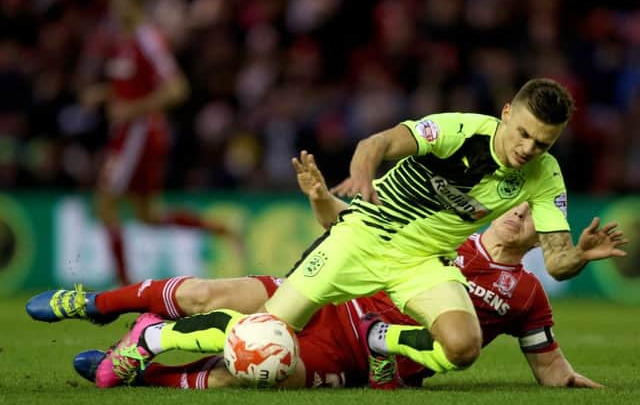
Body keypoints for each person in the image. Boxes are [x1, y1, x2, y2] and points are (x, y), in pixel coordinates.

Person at [28, 151, 618, 389]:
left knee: (248, 371)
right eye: (508, 204)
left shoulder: (527, 293)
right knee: (208, 292)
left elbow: (550, 367)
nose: (517, 215)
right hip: (333, 298)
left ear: (544, 223)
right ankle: (95, 304)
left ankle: (144, 364)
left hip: (357, 356)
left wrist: (574, 383)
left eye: (529, 210)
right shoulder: (442, 229)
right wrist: (318, 198)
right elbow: (346, 223)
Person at [77, 0, 240, 285]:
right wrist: (104, 94)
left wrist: (133, 108)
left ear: (135, 6)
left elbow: (177, 89)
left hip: (139, 133)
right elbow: (132, 85)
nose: (115, 9)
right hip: (128, 132)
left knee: (106, 204)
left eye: (121, 3)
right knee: (147, 216)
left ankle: (124, 285)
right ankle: (220, 229)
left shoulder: (147, 40)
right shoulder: (122, 41)